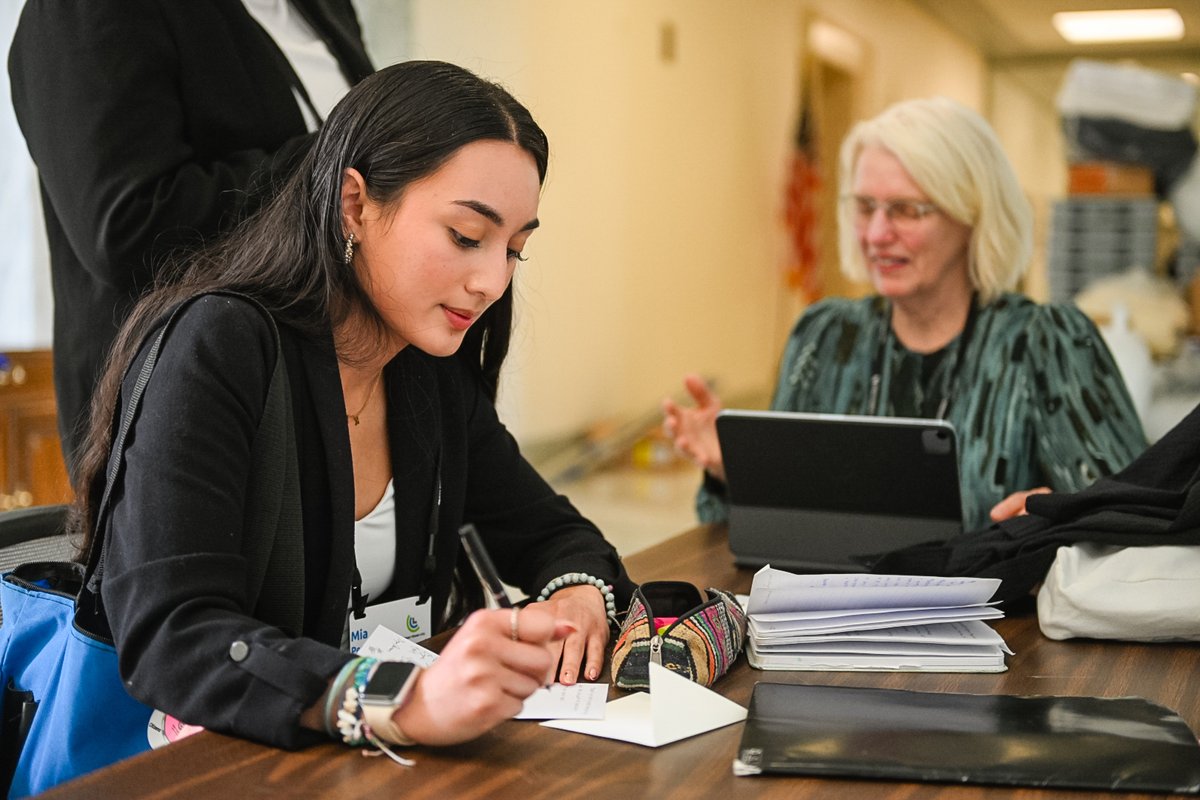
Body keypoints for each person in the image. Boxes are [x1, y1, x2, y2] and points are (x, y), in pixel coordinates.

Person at [69, 60, 634, 755]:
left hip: (364, 763)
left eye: (516, 250)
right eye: (466, 236)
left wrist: (578, 595)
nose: (492, 281)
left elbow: (554, 535)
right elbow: (174, 637)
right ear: (354, 206)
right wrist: (401, 699)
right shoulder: (221, 347)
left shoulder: (425, 372)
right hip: (212, 764)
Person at [663, 96, 1147, 533]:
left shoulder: (1046, 342)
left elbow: (1138, 516)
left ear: (973, 215)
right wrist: (736, 469)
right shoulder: (825, 337)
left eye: (906, 210)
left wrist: (1061, 518)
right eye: (865, 207)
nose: (876, 234)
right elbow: (777, 529)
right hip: (831, 603)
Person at [8, 0, 375, 474]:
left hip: (354, 390)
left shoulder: (325, 9)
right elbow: (127, 225)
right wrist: (335, 160)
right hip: (189, 409)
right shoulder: (84, 10)